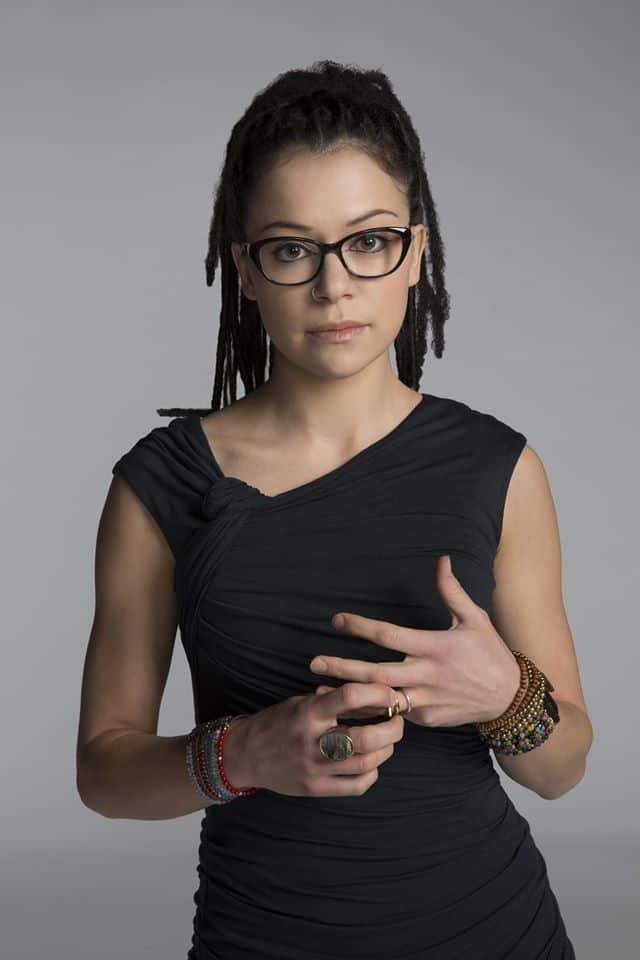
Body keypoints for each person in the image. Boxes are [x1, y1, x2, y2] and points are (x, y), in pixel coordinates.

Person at [76, 60, 592, 959]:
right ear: (245, 270)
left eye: (368, 241)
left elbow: (562, 769)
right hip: (263, 937)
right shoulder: (161, 486)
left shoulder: (499, 467)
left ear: (416, 252)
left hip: (496, 931)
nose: (334, 285)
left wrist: (505, 694)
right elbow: (102, 771)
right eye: (291, 249)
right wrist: (243, 755)